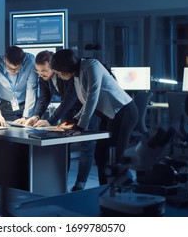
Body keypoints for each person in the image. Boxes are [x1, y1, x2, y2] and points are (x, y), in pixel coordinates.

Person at [50, 49, 139, 185]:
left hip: (124, 112)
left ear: (66, 69)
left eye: (59, 73)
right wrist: (75, 119)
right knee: (101, 155)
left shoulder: (92, 65)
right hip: (109, 115)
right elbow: (85, 102)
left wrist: (81, 125)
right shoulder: (76, 75)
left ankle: (121, 192)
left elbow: (93, 96)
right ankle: (104, 191)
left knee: (113, 157)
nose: (59, 77)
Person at [23, 50, 100, 191]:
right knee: (64, 145)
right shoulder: (43, 77)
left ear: (53, 66)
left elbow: (70, 99)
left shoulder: (67, 73)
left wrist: (51, 120)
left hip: (86, 108)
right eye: (38, 71)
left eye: (44, 71)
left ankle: (80, 184)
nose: (41, 74)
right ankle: (61, 182)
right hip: (68, 111)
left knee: (87, 146)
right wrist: (36, 116)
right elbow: (43, 98)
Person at [0, 46, 38, 126]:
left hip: (27, 105)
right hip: (5, 106)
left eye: (17, 68)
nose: (14, 71)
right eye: (9, 68)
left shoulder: (30, 62)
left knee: (28, 132)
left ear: (22, 61)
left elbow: (31, 89)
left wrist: (26, 117)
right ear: (4, 59)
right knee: (5, 134)